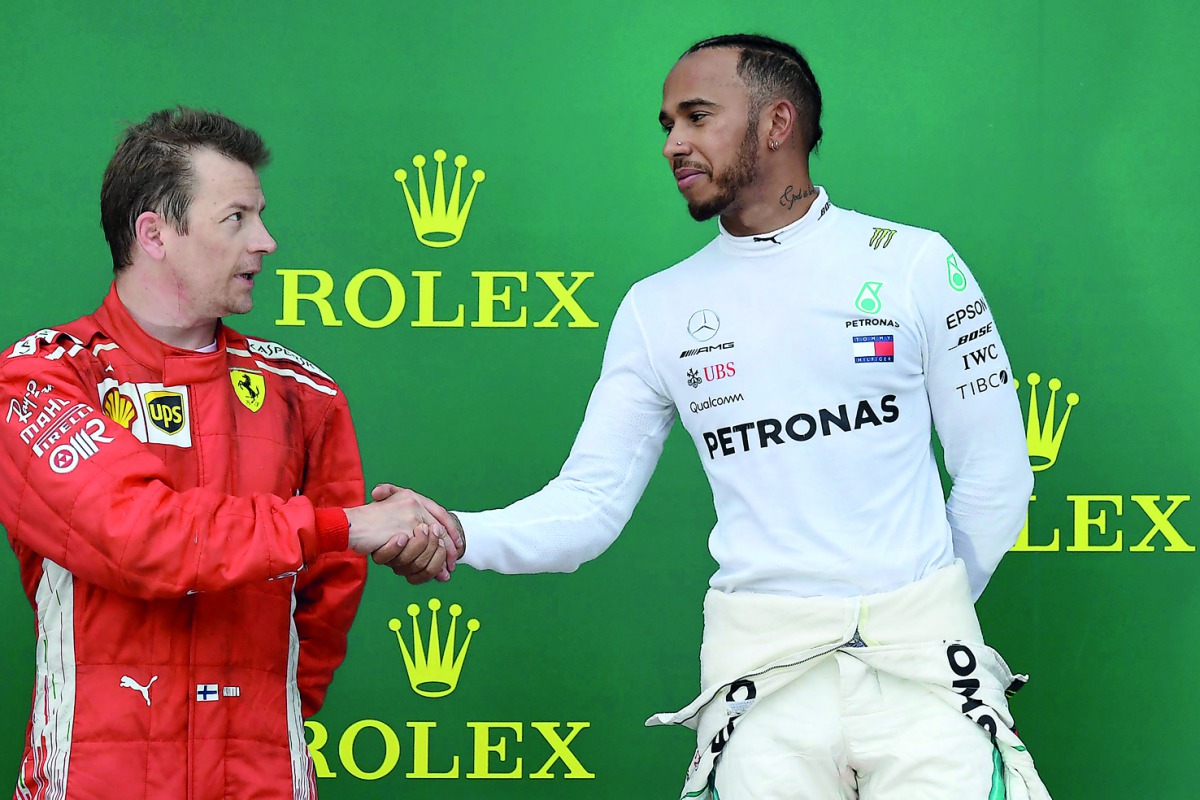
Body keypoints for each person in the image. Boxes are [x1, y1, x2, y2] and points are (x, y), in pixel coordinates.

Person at [407, 34, 1052, 798]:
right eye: (667, 125)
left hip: (926, 679)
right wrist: (457, 531)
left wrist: (918, 618)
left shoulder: (915, 263)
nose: (674, 144)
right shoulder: (659, 307)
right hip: (760, 689)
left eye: (697, 117)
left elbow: (997, 479)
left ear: (776, 124)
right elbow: (588, 505)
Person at [0, 108, 454, 800]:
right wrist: (348, 524)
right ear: (154, 233)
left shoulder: (305, 394)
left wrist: (264, 728)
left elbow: (325, 604)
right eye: (236, 218)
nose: (267, 241)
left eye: (260, 215)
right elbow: (137, 536)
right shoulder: (43, 377)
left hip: (261, 781)